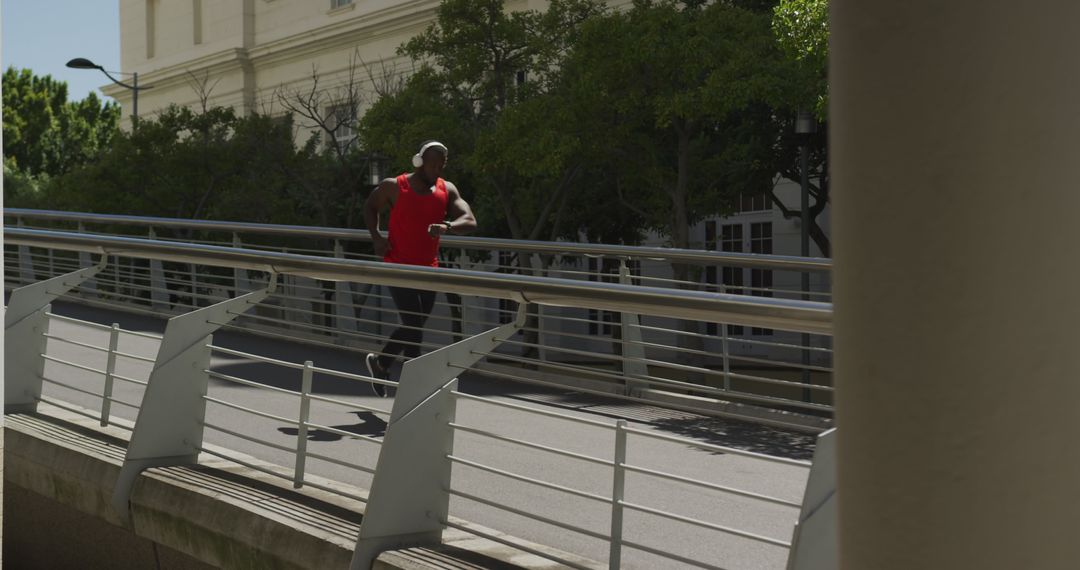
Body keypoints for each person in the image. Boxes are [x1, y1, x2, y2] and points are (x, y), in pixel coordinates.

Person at [363, 140, 477, 396]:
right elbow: (370, 206)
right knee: (413, 323)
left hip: (429, 268)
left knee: (414, 324)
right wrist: (376, 237)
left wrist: (448, 226)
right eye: (432, 163)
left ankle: (381, 362)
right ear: (420, 161)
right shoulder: (395, 186)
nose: (437, 168)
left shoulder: (446, 190)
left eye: (441, 164)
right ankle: (412, 388)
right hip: (398, 266)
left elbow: (469, 220)